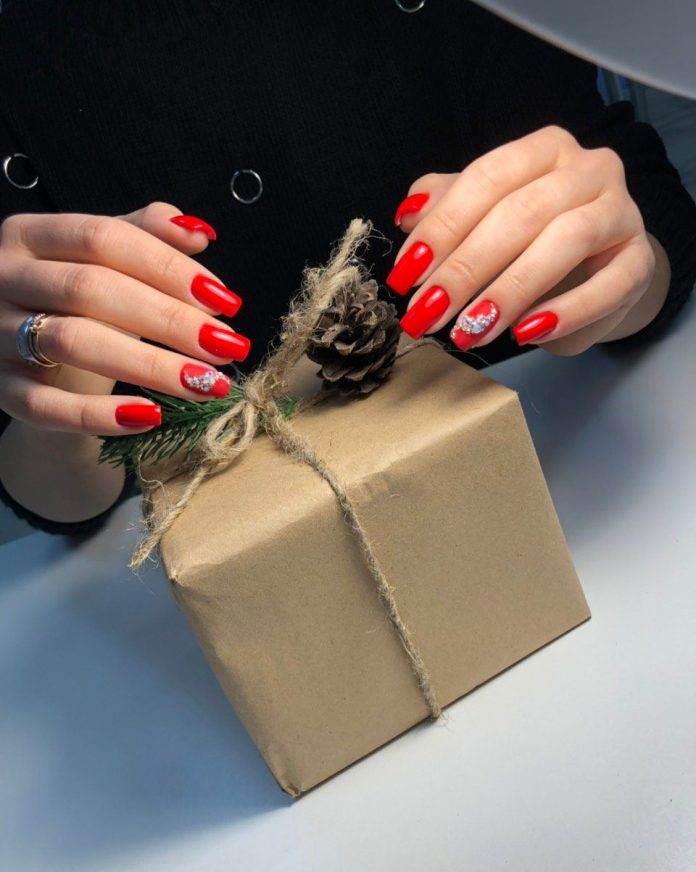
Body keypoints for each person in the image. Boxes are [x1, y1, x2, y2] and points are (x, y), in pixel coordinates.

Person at [0, 0, 695, 535]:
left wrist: (607, 276)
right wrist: (56, 414)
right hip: (243, 558)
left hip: (577, 491)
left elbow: (647, 210)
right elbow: (53, 495)